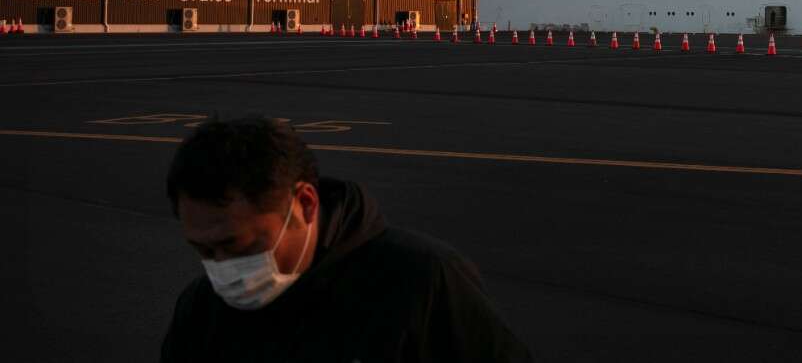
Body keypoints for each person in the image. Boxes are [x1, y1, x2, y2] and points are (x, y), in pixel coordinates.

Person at [161, 117, 532, 362]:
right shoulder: (201, 308)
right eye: (204, 251)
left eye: (238, 246)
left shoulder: (423, 281)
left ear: (305, 204)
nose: (223, 269)